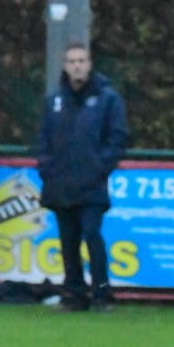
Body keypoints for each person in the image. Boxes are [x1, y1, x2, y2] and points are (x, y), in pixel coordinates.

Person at [36, 42, 128, 312]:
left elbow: (117, 138)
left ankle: (102, 294)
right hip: (61, 185)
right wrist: (47, 169)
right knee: (68, 242)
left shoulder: (107, 99)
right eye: (71, 61)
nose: (76, 66)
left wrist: (99, 168)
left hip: (91, 185)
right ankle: (74, 294)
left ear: (89, 65)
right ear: (65, 66)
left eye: (81, 61)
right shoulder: (54, 101)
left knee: (92, 236)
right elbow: (43, 139)